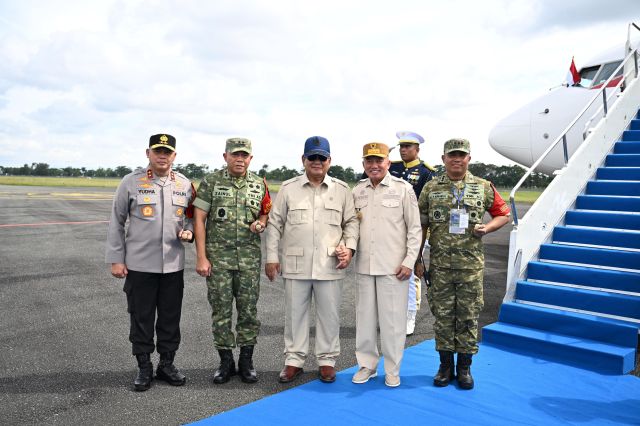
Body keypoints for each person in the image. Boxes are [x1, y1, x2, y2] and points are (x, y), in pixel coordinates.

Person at [417, 138, 510, 390]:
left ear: (469, 158)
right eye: (452, 155)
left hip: (470, 267)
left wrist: (487, 228)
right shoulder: (431, 188)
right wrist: (417, 258)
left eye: (461, 155)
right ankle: (445, 366)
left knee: (468, 316)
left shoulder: (483, 187)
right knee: (443, 317)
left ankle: (465, 367)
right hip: (440, 267)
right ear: (444, 158)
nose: (456, 159)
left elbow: (503, 214)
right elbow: (421, 226)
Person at [265, 136, 358, 384]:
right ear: (303, 159)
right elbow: (274, 224)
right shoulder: (288, 188)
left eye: (322, 157)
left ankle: (327, 361)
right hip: (296, 263)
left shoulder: (341, 190)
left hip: (330, 263)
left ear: (329, 161)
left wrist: (349, 248)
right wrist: (272, 256)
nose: (317, 161)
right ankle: (294, 360)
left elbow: (351, 222)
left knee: (329, 315)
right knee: (294, 315)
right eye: (312, 157)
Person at [106, 133, 195, 392]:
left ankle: (166, 364)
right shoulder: (131, 182)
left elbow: (192, 217)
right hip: (140, 265)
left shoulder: (184, 184)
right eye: (158, 151)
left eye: (167, 152)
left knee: (170, 317)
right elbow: (116, 221)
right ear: (148, 153)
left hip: (173, 265)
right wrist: (116, 259)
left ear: (174, 155)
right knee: (141, 317)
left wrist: (189, 231)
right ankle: (144, 366)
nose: (162, 156)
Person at [192, 137, 271, 384]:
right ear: (225, 156)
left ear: (250, 158)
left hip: (248, 260)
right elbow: (199, 219)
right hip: (219, 261)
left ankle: (246, 361)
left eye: (244, 155)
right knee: (221, 312)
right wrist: (201, 257)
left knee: (248, 312)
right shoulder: (211, 182)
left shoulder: (259, 184)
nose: (239, 159)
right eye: (235, 154)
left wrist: (261, 224)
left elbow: (264, 213)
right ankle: (225, 361)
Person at [351, 142, 422, 388]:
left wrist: (409, 261)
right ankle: (367, 365)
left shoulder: (403, 189)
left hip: (394, 268)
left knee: (393, 323)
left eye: (378, 160)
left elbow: (415, 229)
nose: (374, 165)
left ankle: (392, 369)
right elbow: (351, 226)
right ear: (363, 164)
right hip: (364, 266)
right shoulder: (357, 190)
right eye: (369, 161)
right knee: (365, 321)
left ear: (388, 163)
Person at [389, 131, 435, 335]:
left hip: (414, 230)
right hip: (391, 229)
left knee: (410, 276)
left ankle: (409, 316)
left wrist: (427, 234)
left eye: (408, 147)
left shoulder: (426, 172)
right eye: (401, 146)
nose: (403, 150)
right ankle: (393, 314)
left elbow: (428, 207)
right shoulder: (393, 167)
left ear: (417, 149)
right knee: (390, 273)